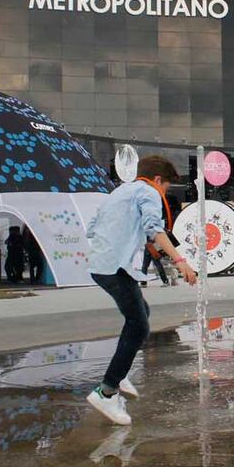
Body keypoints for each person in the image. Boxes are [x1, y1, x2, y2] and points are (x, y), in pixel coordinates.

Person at [85, 154, 198, 425]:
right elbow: (153, 228)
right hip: (115, 267)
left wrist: (135, 239)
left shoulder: (120, 191)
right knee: (139, 326)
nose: (164, 193)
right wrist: (180, 261)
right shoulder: (148, 191)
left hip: (101, 265)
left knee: (140, 312)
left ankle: (120, 373)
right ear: (158, 180)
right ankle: (107, 391)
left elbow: (92, 228)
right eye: (166, 187)